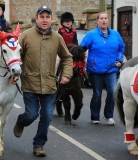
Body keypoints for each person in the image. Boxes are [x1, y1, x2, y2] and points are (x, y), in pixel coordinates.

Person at [13, 6, 73, 157]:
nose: (45, 20)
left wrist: (66, 74)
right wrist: (13, 74)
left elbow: (67, 58)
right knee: (31, 114)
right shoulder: (26, 36)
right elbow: (15, 57)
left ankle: (38, 144)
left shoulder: (57, 38)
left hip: (49, 84)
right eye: (42, 17)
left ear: (51, 19)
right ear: (36, 18)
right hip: (29, 83)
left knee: (47, 116)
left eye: (47, 17)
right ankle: (21, 121)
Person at [80, 12, 125, 125]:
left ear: (108, 21)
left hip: (111, 69)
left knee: (112, 92)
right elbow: (82, 48)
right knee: (97, 94)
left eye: (105, 18)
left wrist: (119, 60)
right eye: (101, 18)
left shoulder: (115, 34)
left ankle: (108, 115)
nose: (104, 20)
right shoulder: (91, 35)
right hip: (95, 70)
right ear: (97, 21)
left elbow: (121, 48)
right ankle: (95, 116)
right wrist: (79, 62)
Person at [56, 12, 78, 116]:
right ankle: (56, 78)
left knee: (79, 65)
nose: (68, 22)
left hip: (71, 53)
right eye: (66, 21)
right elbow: (59, 44)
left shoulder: (74, 32)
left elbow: (76, 43)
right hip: (61, 54)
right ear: (63, 22)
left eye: (69, 21)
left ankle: (84, 77)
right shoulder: (59, 32)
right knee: (57, 65)